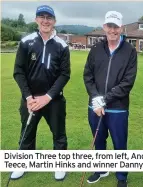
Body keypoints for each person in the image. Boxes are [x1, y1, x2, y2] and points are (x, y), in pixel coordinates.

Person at [12, 5, 70, 181]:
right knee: (27, 132)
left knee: (59, 133)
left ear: (54, 21)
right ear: (36, 19)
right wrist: (29, 97)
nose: (45, 21)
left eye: (49, 18)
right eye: (42, 17)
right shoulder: (26, 42)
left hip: (54, 99)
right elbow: (18, 71)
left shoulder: (62, 45)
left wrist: (48, 97)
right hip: (30, 99)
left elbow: (64, 74)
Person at [83, 10, 137, 187]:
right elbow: (88, 76)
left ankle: (121, 177)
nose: (112, 30)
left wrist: (104, 99)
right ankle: (101, 168)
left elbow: (127, 82)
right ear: (104, 27)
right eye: (109, 26)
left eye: (116, 27)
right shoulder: (96, 48)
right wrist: (96, 99)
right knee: (98, 140)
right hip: (95, 107)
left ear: (121, 28)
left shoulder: (130, 51)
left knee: (119, 143)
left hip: (118, 108)